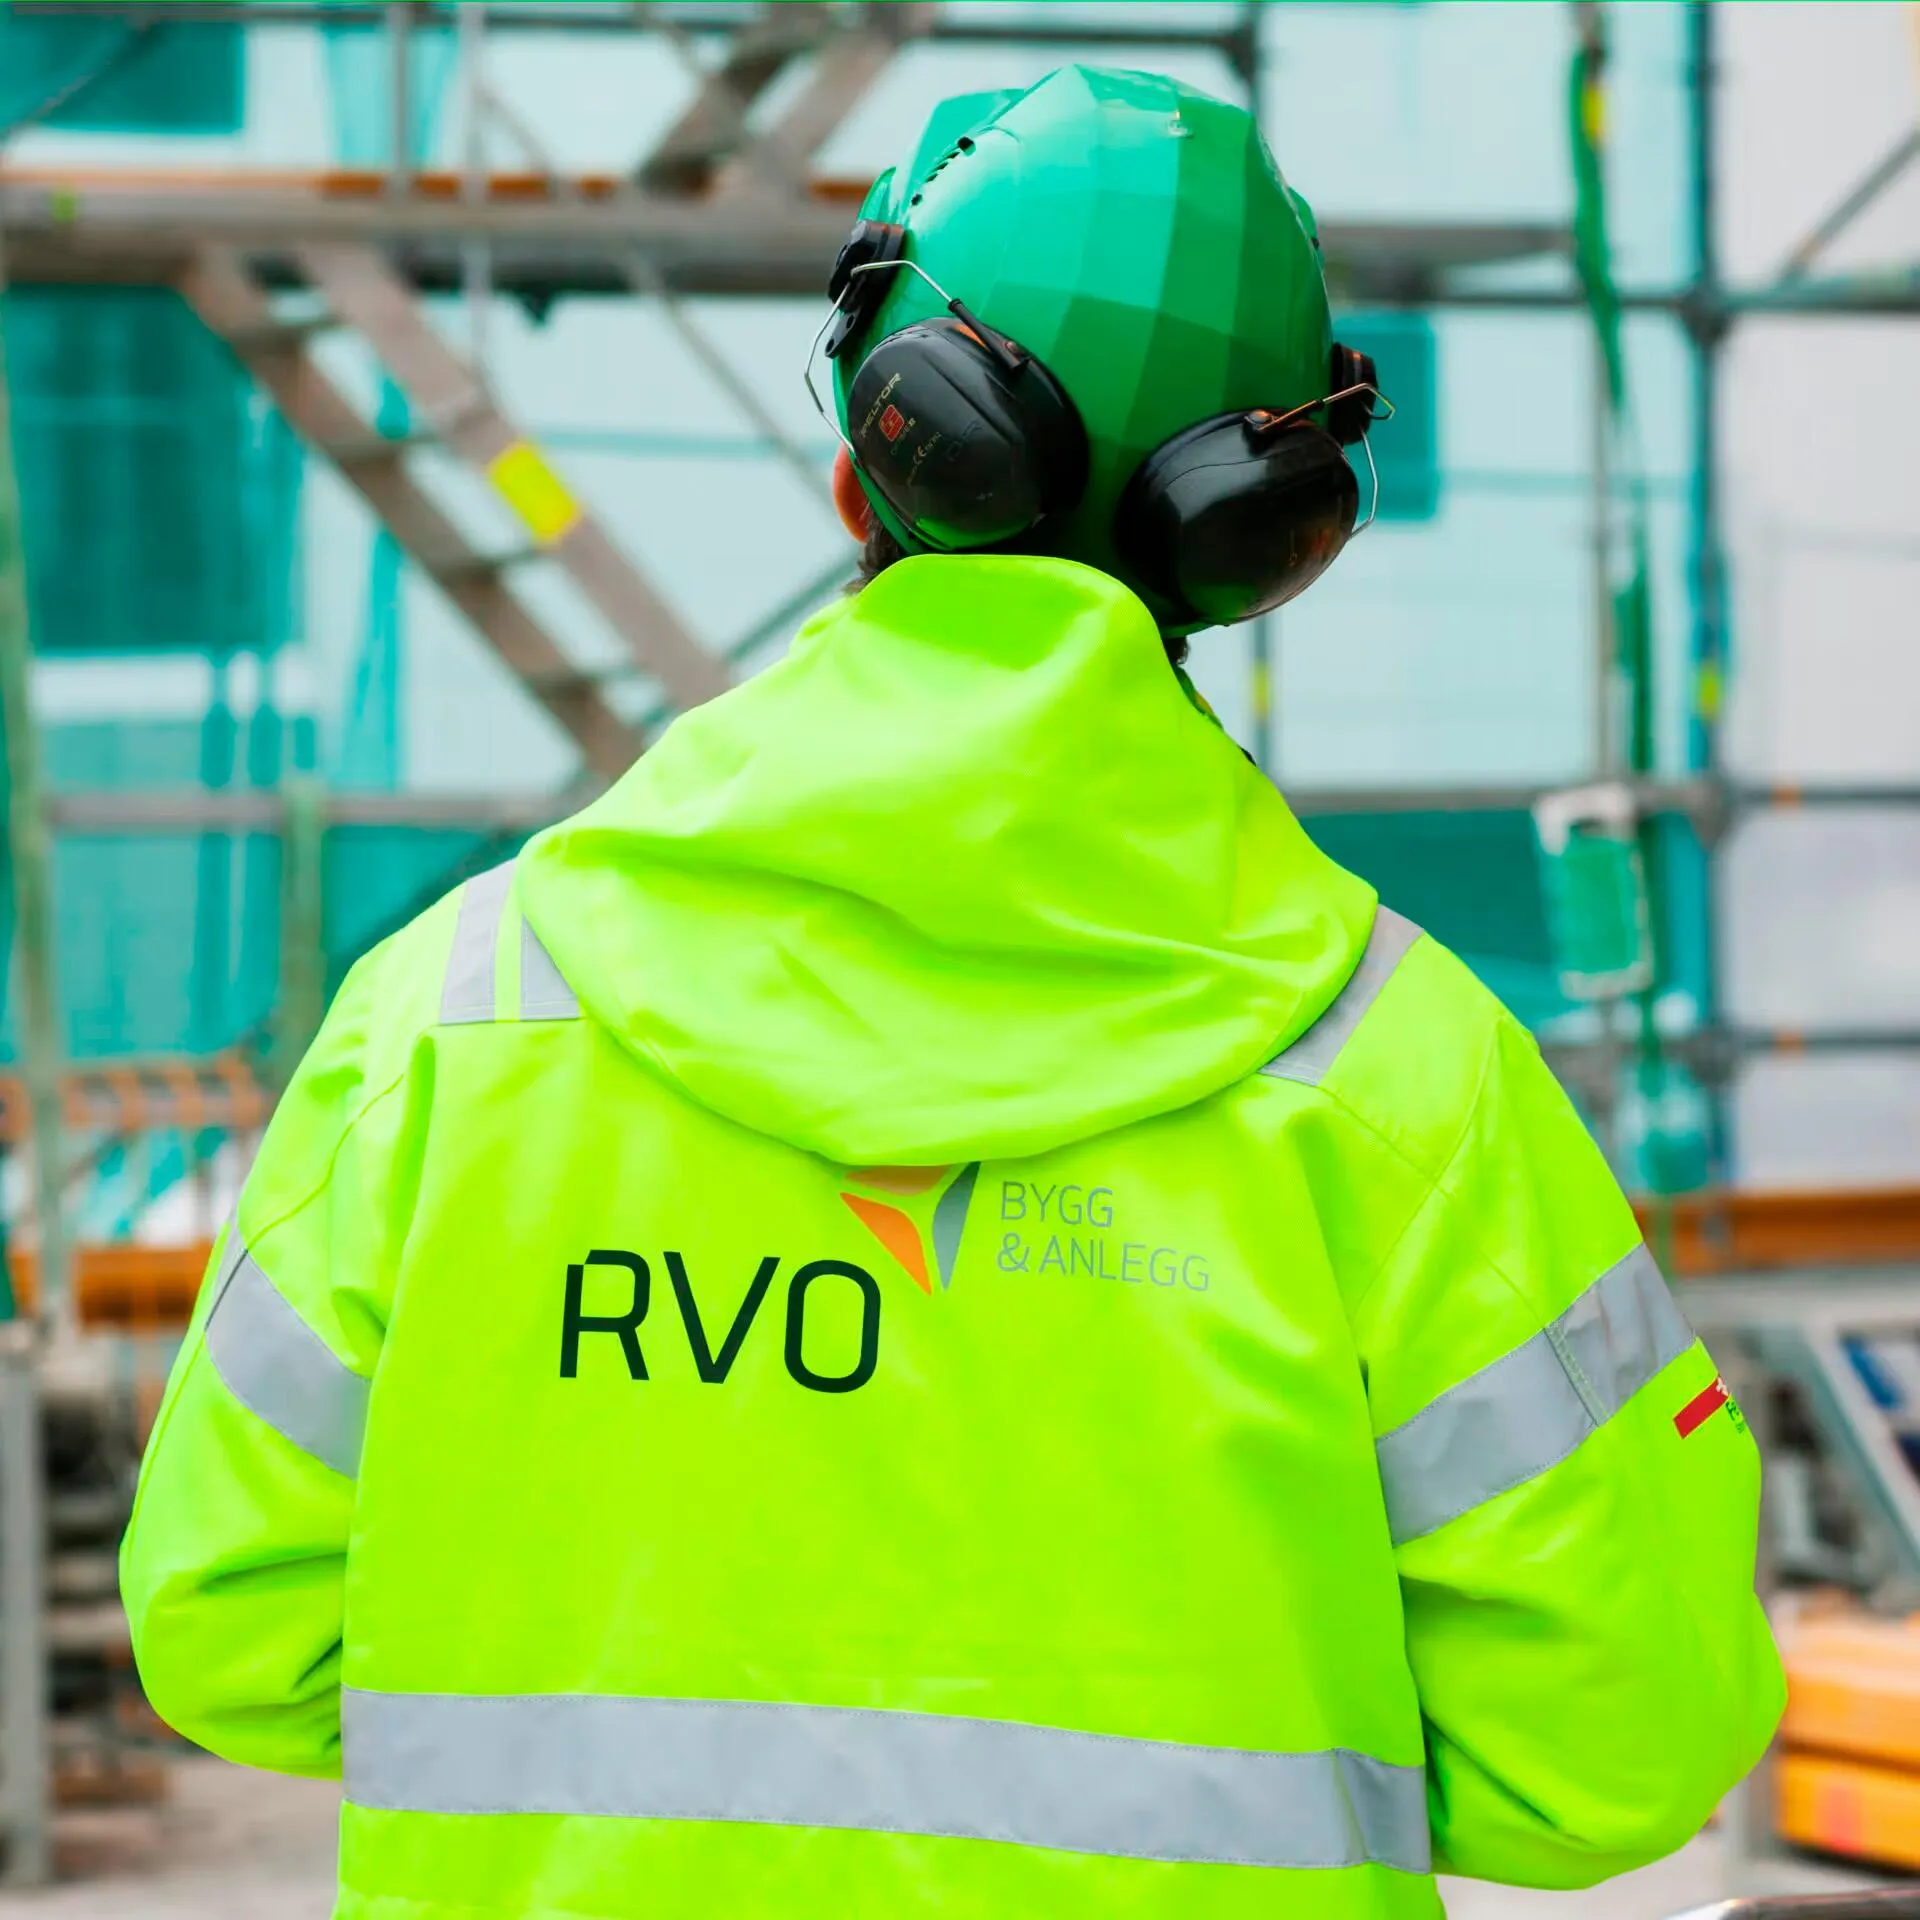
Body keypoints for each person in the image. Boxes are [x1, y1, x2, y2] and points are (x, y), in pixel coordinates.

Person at [122, 66, 1782, 1920]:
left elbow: (229, 1628)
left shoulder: (455, 1022)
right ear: (1259, 534)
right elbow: (1617, 1751)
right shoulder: (1401, 1088)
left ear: (876, 450)